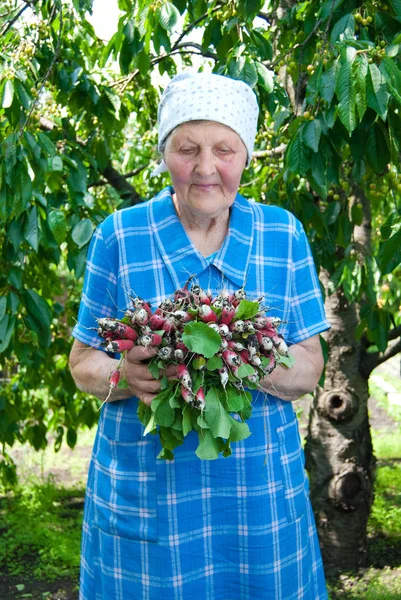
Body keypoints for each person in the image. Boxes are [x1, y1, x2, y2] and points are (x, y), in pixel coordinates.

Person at [69, 71, 330, 600]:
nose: (207, 168)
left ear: (247, 155)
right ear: (166, 153)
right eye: (187, 149)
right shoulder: (119, 235)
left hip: (257, 497)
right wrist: (126, 373)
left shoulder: (281, 233)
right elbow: (81, 364)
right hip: (148, 493)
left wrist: (242, 354)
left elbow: (309, 368)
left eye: (225, 150)